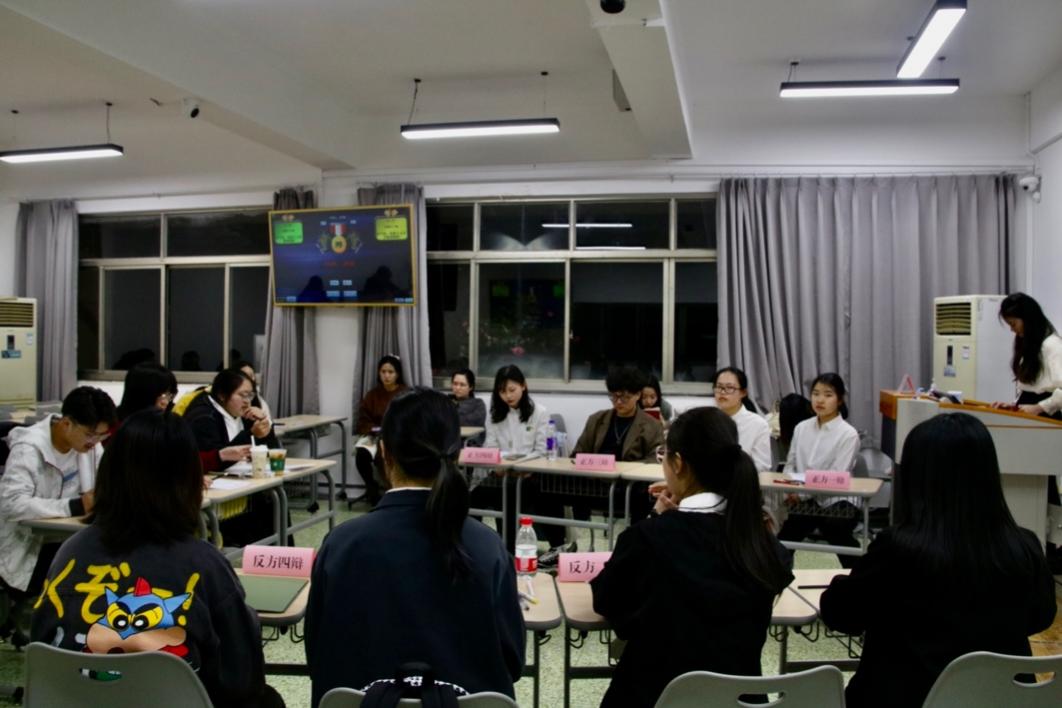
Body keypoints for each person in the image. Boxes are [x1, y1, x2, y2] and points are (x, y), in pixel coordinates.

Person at [30, 411, 284, 708]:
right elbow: (242, 677)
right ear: (188, 481)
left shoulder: (69, 554)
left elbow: (43, 645)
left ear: (109, 474)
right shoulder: (203, 565)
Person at [820, 413, 1056, 708]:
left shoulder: (898, 551)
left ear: (916, 478)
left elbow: (841, 614)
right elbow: (1041, 616)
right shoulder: (1024, 547)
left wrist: (842, 584)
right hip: (1003, 701)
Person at [305, 388, 524, 706]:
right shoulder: (488, 547)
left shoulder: (341, 544)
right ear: (457, 454)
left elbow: (317, 659)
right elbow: (513, 662)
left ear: (384, 452)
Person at [591, 407, 793, 708]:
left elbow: (606, 600)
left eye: (663, 455)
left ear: (679, 464)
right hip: (740, 702)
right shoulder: (762, 545)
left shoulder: (649, 538)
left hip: (654, 697)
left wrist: (656, 516)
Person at [0, 386, 116, 601]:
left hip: (69, 539)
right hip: (29, 547)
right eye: (90, 435)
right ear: (66, 424)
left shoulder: (90, 446)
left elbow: (103, 487)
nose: (94, 443)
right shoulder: (29, 448)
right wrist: (75, 506)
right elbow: (12, 504)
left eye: (102, 436)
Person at [539, 367, 663, 563]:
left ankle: (634, 552)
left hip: (627, 487)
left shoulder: (651, 425)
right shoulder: (597, 419)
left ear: (638, 395)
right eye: (614, 396)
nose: (618, 402)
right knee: (544, 484)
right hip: (592, 484)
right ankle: (558, 545)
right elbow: (577, 453)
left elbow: (654, 459)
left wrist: (625, 468)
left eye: (625, 397)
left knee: (644, 495)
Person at [182, 368, 280, 547]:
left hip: (237, 483)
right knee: (265, 503)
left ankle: (280, 553)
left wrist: (265, 426)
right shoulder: (203, 417)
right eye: (242, 395)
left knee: (274, 500)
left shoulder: (242, 413)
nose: (247, 401)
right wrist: (250, 434)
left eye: (250, 395)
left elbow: (272, 450)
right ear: (222, 395)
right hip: (210, 489)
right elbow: (215, 459)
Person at [776, 373, 861, 567]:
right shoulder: (801, 428)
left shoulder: (848, 434)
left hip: (838, 498)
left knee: (834, 528)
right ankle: (777, 576)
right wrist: (789, 490)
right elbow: (790, 464)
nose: (820, 400)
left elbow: (835, 476)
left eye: (828, 395)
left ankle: (857, 572)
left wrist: (800, 494)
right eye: (815, 394)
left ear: (839, 400)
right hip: (805, 498)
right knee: (785, 538)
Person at [481, 365, 550, 547]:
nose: (508, 396)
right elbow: (490, 447)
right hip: (500, 473)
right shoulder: (494, 414)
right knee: (473, 498)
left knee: (512, 494)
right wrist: (498, 466)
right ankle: (477, 544)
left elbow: (541, 451)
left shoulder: (540, 412)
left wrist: (524, 467)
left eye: (512, 390)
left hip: (530, 475)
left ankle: (509, 546)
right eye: (502, 391)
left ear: (523, 386)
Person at [995, 293, 1062, 419]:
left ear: (1028, 319)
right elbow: (1028, 389)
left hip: (1047, 418)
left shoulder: (1053, 345)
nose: (1012, 330)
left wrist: (1038, 408)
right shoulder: (1030, 346)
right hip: (1030, 413)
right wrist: (1013, 407)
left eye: (1013, 324)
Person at [354, 354, 409, 505]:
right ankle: (372, 488)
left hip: (398, 437)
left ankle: (393, 491)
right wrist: (374, 429)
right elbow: (363, 420)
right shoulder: (372, 395)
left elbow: (410, 418)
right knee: (361, 455)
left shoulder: (405, 394)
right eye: (383, 372)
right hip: (375, 435)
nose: (386, 376)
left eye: (391, 372)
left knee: (389, 455)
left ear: (397, 374)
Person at [450, 368, 486, 446]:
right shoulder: (445, 402)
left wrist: (451, 418)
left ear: (471, 387)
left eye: (462, 385)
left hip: (471, 445)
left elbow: (475, 422)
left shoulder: (478, 403)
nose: (458, 388)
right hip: (448, 444)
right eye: (455, 384)